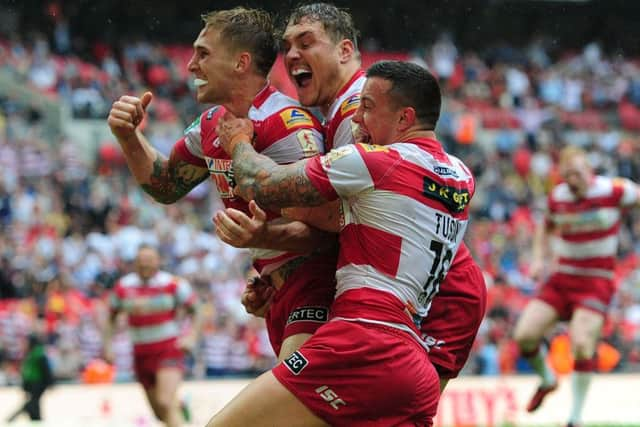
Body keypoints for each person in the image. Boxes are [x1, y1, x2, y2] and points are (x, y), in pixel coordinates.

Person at [216, 1, 487, 391]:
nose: (292, 55)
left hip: (434, 290)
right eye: (287, 45)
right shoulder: (341, 112)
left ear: (345, 51)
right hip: (412, 284)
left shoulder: (358, 109)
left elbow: (330, 218)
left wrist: (273, 248)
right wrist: (280, 271)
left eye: (306, 42)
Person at [106, 7, 337, 362]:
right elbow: (166, 186)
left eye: (203, 54)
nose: (191, 65)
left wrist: (263, 239)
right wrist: (129, 137)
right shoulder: (211, 123)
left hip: (317, 286)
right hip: (277, 290)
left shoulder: (288, 124)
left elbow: (328, 230)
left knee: (289, 404)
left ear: (241, 62)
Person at [513, 145, 640, 427]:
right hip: (562, 277)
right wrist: (537, 259)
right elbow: (544, 227)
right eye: (567, 175)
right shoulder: (558, 198)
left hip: (596, 279)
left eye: (577, 174)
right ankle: (547, 380)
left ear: (589, 171)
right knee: (524, 336)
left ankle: (575, 418)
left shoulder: (613, 190)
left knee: (582, 344)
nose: (573, 180)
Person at [104, 245, 201, 427]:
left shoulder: (172, 283)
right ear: (135, 263)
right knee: (160, 412)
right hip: (140, 353)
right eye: (141, 261)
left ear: (158, 262)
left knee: (164, 402)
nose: (145, 265)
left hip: (168, 350)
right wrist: (108, 346)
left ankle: (176, 407)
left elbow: (196, 310)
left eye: (149, 260)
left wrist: (191, 336)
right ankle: (180, 406)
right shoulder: (123, 287)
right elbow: (110, 317)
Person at [6, 333, 54, 423]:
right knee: (33, 406)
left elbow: (45, 371)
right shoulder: (31, 353)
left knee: (32, 404)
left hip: (37, 384)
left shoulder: (38, 354)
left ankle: (11, 419)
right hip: (32, 385)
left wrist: (49, 383)